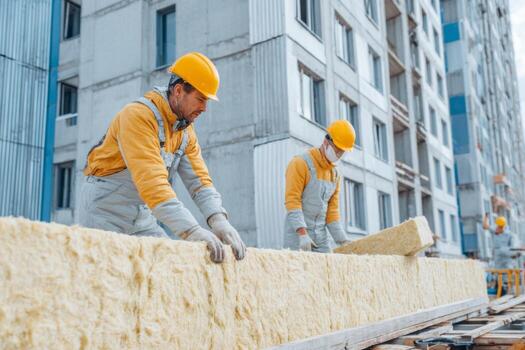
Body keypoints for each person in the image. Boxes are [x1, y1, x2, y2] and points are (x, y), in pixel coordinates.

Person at [79, 52, 246, 263]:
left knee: (167, 270)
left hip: (142, 217)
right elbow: (153, 185)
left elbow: (200, 182)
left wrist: (218, 219)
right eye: (201, 99)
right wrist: (192, 230)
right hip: (104, 213)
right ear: (178, 91)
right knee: (106, 282)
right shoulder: (138, 116)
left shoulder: (185, 131)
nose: (204, 108)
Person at [284, 120, 355, 252]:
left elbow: (332, 212)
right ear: (326, 142)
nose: (339, 155)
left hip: (321, 238)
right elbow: (292, 201)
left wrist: (343, 240)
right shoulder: (300, 163)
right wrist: (302, 234)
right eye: (337, 150)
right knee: (297, 270)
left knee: (326, 270)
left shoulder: (335, 174)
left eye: (342, 152)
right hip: (298, 235)